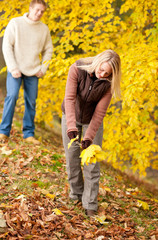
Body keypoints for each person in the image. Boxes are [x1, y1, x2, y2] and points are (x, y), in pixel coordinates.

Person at [61, 49, 121, 216]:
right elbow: (70, 98)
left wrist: (88, 137)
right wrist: (71, 126)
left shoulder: (108, 83)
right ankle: (76, 196)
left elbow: (99, 113)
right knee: (72, 159)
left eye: (107, 73)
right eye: (101, 69)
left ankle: (90, 204)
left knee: (92, 164)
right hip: (70, 116)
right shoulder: (78, 68)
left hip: (92, 122)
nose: (102, 75)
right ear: (96, 62)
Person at [0, 0, 53, 144]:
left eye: (42, 11)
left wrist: (43, 68)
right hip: (15, 68)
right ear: (30, 8)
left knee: (31, 101)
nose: (39, 13)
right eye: (37, 10)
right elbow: (6, 46)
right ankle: (3, 132)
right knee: (12, 96)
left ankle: (29, 134)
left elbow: (48, 50)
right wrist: (12, 67)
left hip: (33, 71)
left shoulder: (44, 29)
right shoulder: (15, 23)